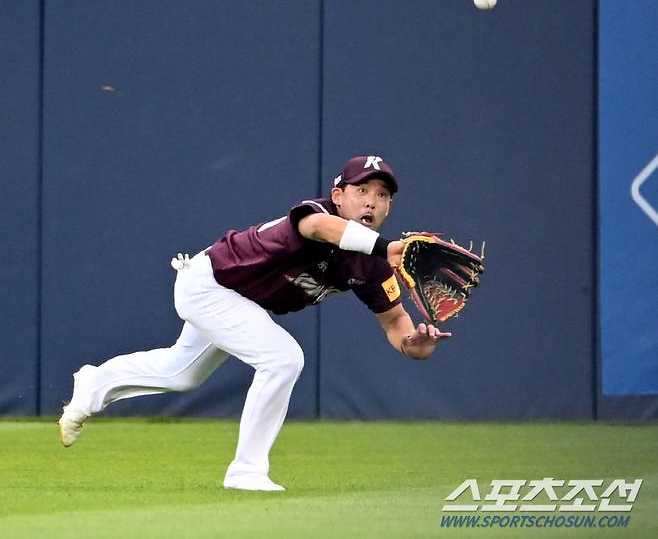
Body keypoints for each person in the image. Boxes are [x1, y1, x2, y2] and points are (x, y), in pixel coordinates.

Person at [58, 155, 452, 491]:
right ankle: (247, 471)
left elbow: (395, 320)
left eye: (382, 195)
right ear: (337, 196)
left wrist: (412, 344)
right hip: (209, 282)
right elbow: (320, 230)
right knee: (283, 358)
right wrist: (388, 246)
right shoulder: (316, 214)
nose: (372, 201)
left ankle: (96, 383)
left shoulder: (373, 263)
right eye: (361, 190)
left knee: (181, 373)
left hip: (240, 301)